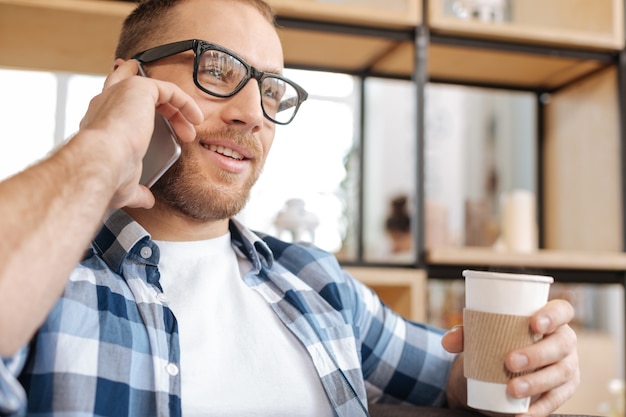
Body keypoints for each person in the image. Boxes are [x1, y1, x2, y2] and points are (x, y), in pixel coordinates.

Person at [0, 0, 579, 416]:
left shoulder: (314, 281)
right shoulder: (48, 282)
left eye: (271, 89)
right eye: (218, 71)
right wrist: (102, 148)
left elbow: (452, 379)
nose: (253, 112)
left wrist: (535, 361)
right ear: (128, 80)